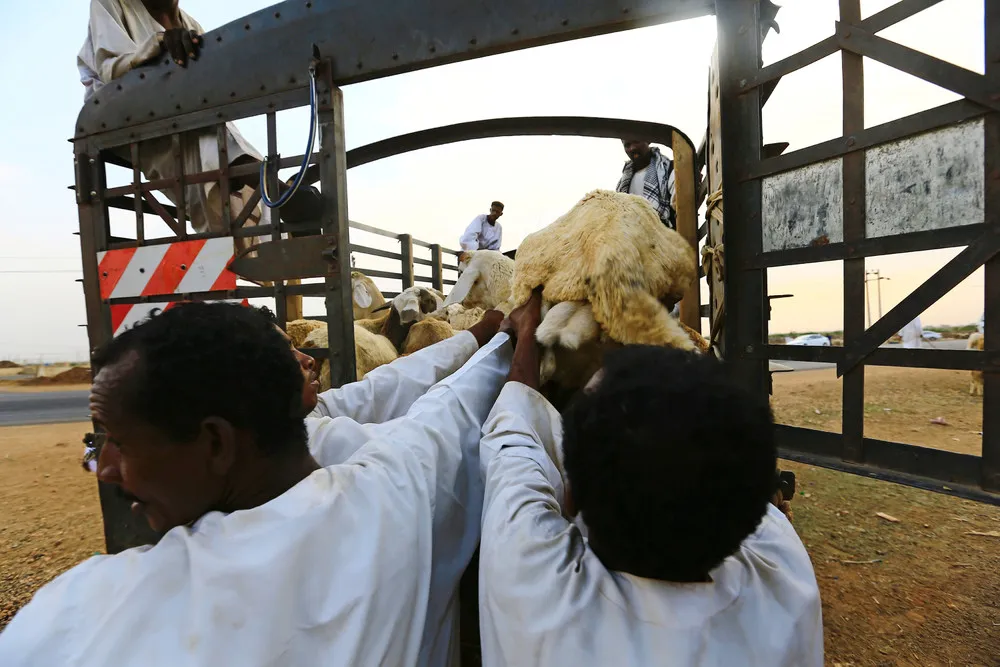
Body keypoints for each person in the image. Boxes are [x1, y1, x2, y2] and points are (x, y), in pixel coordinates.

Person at [1, 302, 511, 667]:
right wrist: (503, 340)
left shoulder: (75, 616)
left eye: (119, 443)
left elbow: (404, 394)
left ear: (217, 445)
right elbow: (448, 405)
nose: (105, 468)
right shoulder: (401, 493)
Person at [475, 289, 823, 666]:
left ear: (570, 496)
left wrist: (526, 330)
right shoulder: (789, 580)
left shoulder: (533, 581)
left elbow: (514, 429)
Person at [77, 0, 322, 238]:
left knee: (221, 143)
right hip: (127, 120)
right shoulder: (111, 3)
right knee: (213, 157)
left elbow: (210, 88)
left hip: (185, 116)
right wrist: (159, 45)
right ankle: (284, 196)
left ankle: (284, 204)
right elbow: (110, 68)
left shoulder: (190, 25)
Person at [616, 139, 676, 229]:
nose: (632, 148)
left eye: (636, 141)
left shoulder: (669, 169)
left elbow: (680, 206)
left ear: (647, 140)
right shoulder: (622, 184)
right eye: (627, 145)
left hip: (665, 235)